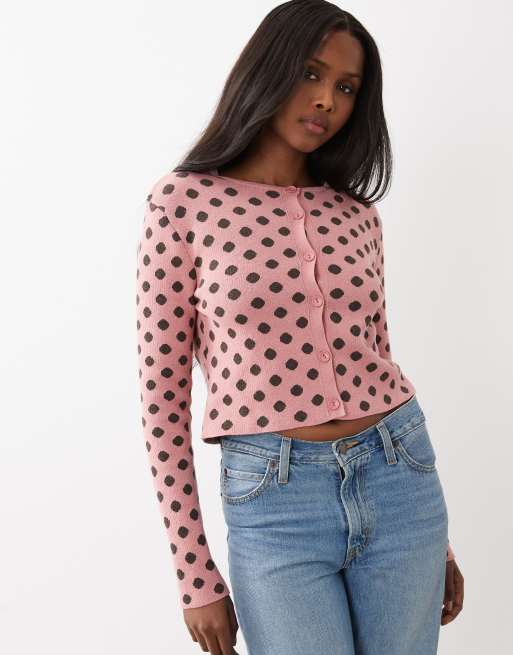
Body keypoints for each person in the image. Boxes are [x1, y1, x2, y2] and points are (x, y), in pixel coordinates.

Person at [135, 1, 464, 653]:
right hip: (274, 502)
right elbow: (161, 400)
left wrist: (440, 544)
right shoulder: (182, 202)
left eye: (346, 87)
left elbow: (377, 353)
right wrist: (195, 574)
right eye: (311, 74)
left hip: (400, 475)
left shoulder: (356, 215)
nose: (326, 101)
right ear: (268, 70)